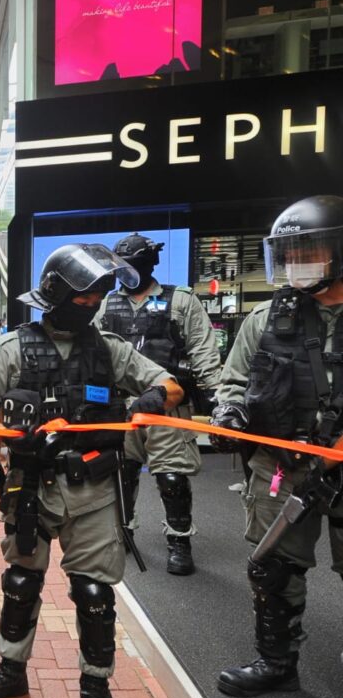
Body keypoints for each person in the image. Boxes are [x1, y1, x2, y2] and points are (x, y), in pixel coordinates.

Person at [0, 244, 182, 698]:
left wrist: (152, 395)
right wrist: (7, 434)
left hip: (95, 489)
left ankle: (95, 690)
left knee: (94, 593)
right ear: (57, 293)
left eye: (99, 295)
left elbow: (171, 385)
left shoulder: (108, 347)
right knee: (21, 583)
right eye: (84, 295)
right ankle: (11, 672)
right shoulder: (10, 347)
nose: (92, 304)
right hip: (31, 489)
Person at [211, 195, 343, 698]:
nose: (296, 263)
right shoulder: (265, 320)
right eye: (288, 253)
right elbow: (233, 382)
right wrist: (231, 410)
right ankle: (276, 662)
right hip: (283, 465)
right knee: (273, 567)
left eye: (308, 250)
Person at [98, 233, 223, 575]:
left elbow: (203, 352)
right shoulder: (106, 304)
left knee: (171, 477)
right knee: (120, 474)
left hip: (167, 404)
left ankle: (179, 540)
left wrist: (220, 401)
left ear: (149, 264)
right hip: (121, 407)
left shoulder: (179, 301)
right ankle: (122, 532)